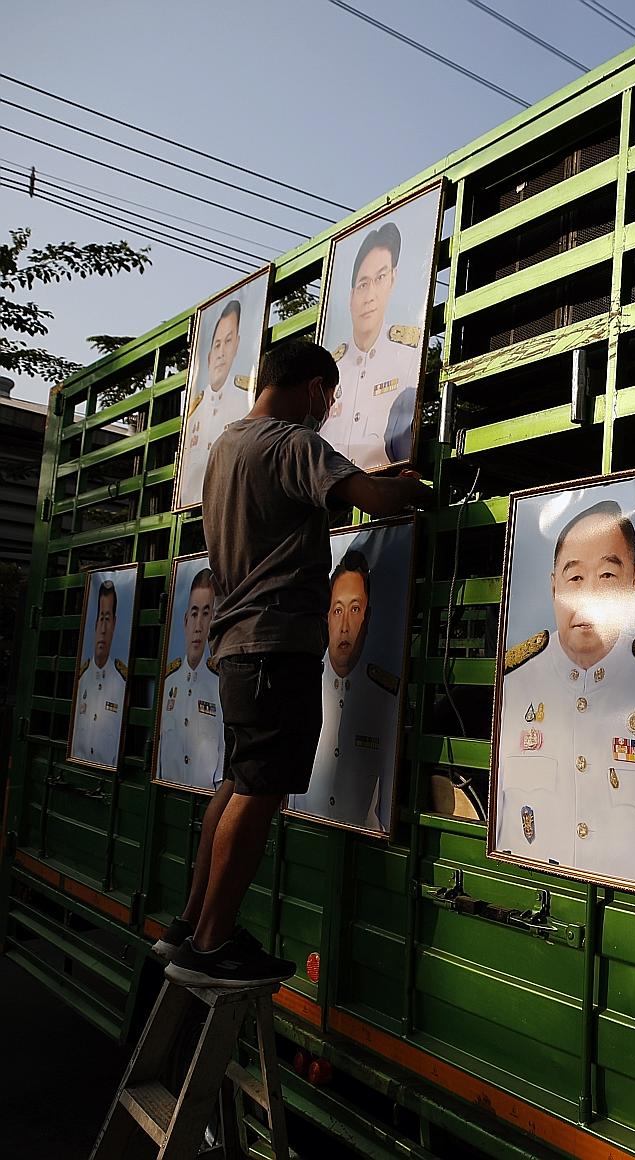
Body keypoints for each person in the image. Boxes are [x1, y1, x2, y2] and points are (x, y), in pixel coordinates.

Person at [156, 337, 431, 987]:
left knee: (238, 783)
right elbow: (378, 501)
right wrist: (410, 487)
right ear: (313, 389)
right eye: (329, 398)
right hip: (277, 645)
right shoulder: (295, 443)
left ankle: (194, 925)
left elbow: (310, 501)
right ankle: (213, 941)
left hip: (238, 649)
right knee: (259, 791)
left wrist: (366, 485)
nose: (328, 411)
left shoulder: (228, 447)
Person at [494, 500, 635, 892]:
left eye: (606, 576)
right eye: (574, 579)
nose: (588, 597)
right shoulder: (513, 683)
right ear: (553, 584)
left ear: (634, 582)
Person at [287, 549, 402, 832]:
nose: (345, 626)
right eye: (337, 610)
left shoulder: (385, 694)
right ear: (326, 616)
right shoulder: (303, 681)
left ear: (369, 616)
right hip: (301, 826)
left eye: (355, 609)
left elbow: (385, 805)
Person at [320, 221, 422, 471]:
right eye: (363, 284)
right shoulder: (330, 369)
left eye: (381, 278)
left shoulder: (409, 358)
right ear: (351, 295)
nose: (370, 296)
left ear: (393, 281)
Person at [178, 297, 251, 506]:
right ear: (209, 356)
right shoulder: (195, 410)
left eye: (228, 342)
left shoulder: (244, 401)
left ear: (237, 346)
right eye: (217, 344)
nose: (221, 353)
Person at [156, 567, 223, 790]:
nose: (198, 626)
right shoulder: (168, 684)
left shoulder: (221, 685)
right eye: (194, 613)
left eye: (206, 614)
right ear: (185, 621)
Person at [72, 578, 129, 768]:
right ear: (95, 624)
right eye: (101, 619)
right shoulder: (82, 678)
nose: (103, 630)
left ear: (114, 624)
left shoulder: (122, 681)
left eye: (108, 620)